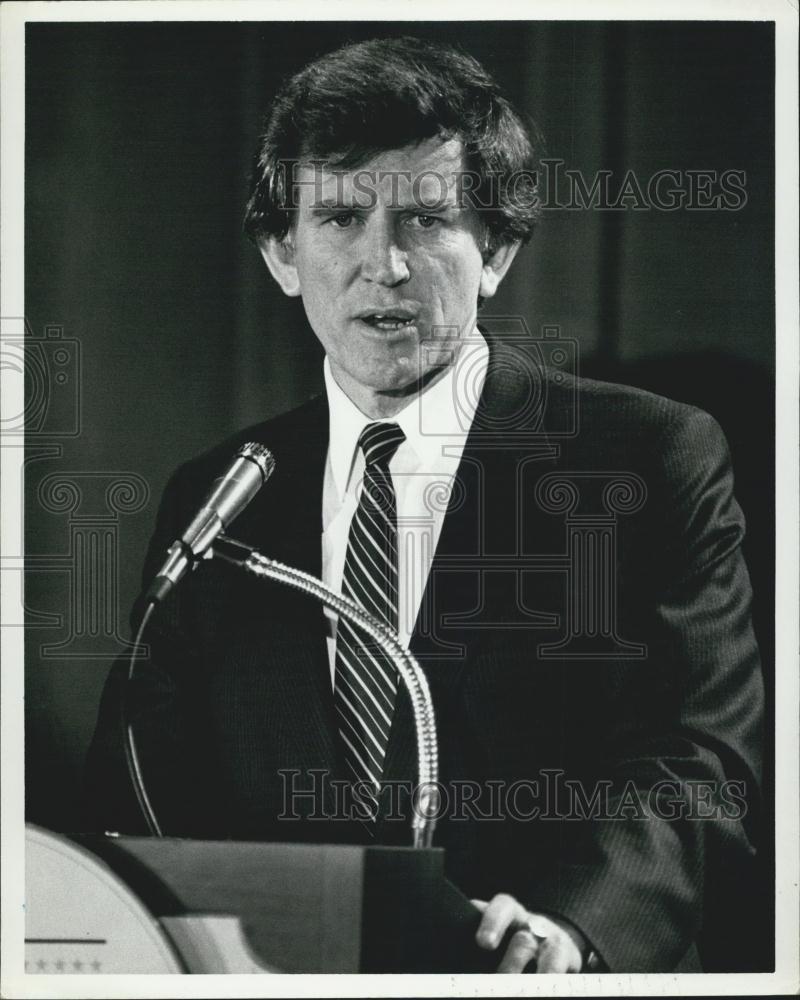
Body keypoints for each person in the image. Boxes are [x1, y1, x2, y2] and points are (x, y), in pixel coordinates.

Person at [87, 36, 764, 973]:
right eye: (340, 219)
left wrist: (573, 928)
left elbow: (698, 761)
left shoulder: (644, 459)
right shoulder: (220, 496)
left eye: (425, 220)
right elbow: (139, 783)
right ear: (283, 255)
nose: (385, 265)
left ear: (497, 249)